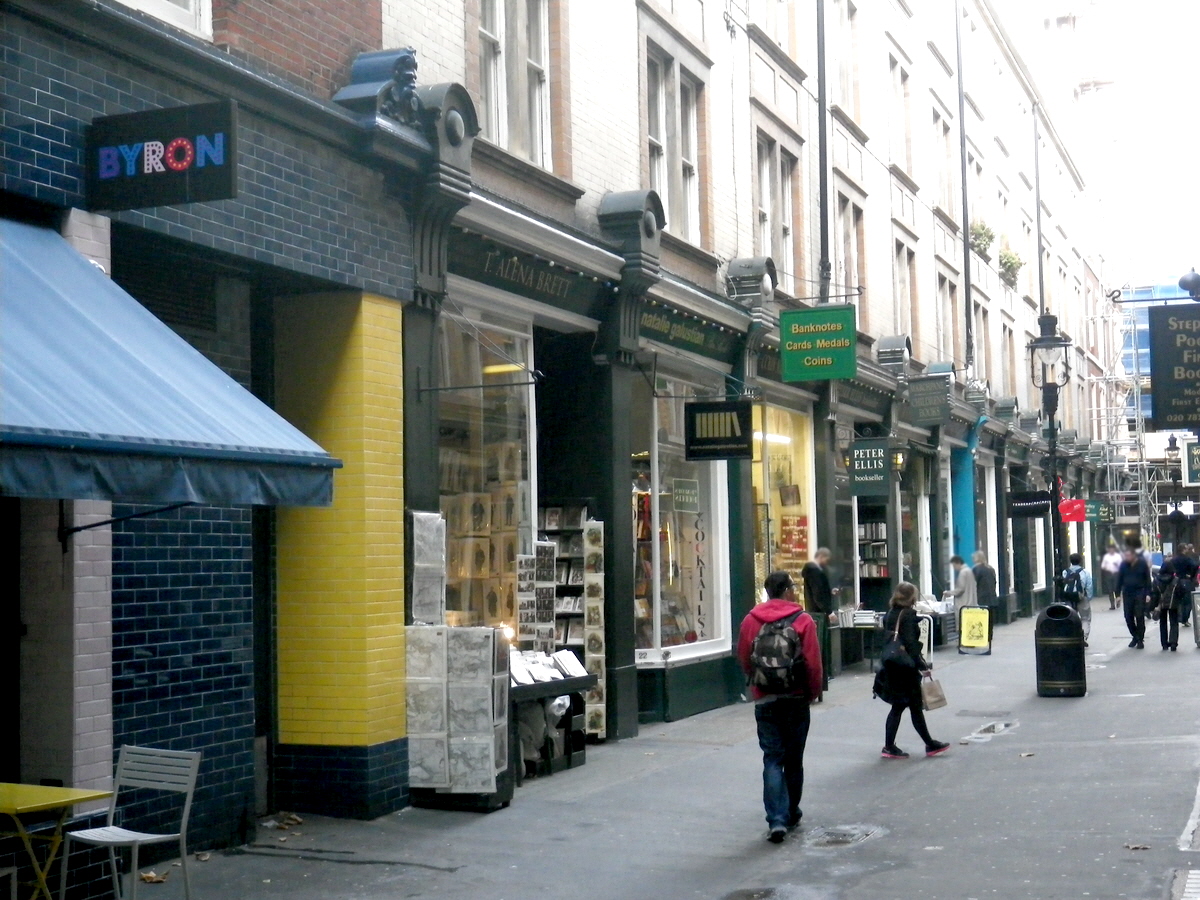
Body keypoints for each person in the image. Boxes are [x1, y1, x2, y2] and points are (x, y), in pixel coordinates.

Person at [737, 571, 824, 843]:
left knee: (773, 758)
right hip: (796, 697)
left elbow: (743, 657)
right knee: (794, 758)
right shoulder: (803, 620)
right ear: (787, 590)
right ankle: (791, 811)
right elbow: (813, 663)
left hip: (765, 698)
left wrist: (758, 682)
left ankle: (776, 820)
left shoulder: (751, 620)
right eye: (793, 587)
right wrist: (812, 692)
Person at [872, 582, 949, 760]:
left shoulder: (890, 613)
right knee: (910, 706)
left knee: (904, 706)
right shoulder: (908, 615)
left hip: (892, 665)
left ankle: (903, 745)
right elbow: (911, 644)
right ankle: (924, 744)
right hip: (905, 669)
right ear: (912, 597)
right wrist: (923, 666)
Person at [801, 548, 836, 695]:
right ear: (821, 557)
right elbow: (818, 595)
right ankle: (821, 680)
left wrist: (829, 592)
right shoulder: (816, 573)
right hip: (819, 614)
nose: (827, 563)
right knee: (821, 646)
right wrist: (829, 611)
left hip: (814, 611)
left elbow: (817, 593)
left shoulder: (811, 572)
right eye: (826, 559)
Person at [1115, 545, 1152, 649]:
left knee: (1139, 616)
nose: (1126, 557)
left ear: (1134, 555)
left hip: (1139, 592)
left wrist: (1148, 593)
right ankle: (1135, 636)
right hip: (1127, 593)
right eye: (1125, 556)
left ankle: (1140, 639)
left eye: (1128, 555)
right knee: (1128, 616)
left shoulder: (1142, 563)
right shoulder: (1123, 565)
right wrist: (1117, 595)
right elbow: (1119, 580)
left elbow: (1148, 579)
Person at [1061, 552, 1093, 647]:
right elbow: (1089, 586)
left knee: (1070, 618)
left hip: (1069, 598)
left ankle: (1071, 637)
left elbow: (1063, 584)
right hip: (1081, 597)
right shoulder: (1085, 572)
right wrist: (1088, 597)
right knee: (1085, 618)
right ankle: (1082, 637)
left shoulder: (1065, 572)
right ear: (1080, 561)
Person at [972, 550, 998, 640]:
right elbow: (995, 581)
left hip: (982, 597)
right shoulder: (991, 568)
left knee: (981, 618)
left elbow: (973, 583)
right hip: (992, 596)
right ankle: (989, 635)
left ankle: (982, 635)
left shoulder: (976, 569)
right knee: (990, 618)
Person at [1175, 543, 1198, 628]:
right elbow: (1195, 566)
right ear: (1184, 550)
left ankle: (1178, 617)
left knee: (1179, 601)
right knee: (1188, 601)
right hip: (1186, 581)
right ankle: (1185, 618)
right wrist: (1191, 575)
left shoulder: (1175, 559)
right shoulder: (1187, 559)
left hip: (1177, 581)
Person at [1100, 544, 1123, 610]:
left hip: (1116, 573)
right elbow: (1103, 566)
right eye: (1110, 549)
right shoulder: (1106, 557)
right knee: (1110, 590)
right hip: (1108, 573)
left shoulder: (1118, 556)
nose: (1111, 550)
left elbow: (1121, 565)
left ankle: (1118, 600)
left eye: (1112, 549)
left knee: (1116, 588)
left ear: (1114, 550)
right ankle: (1112, 605)